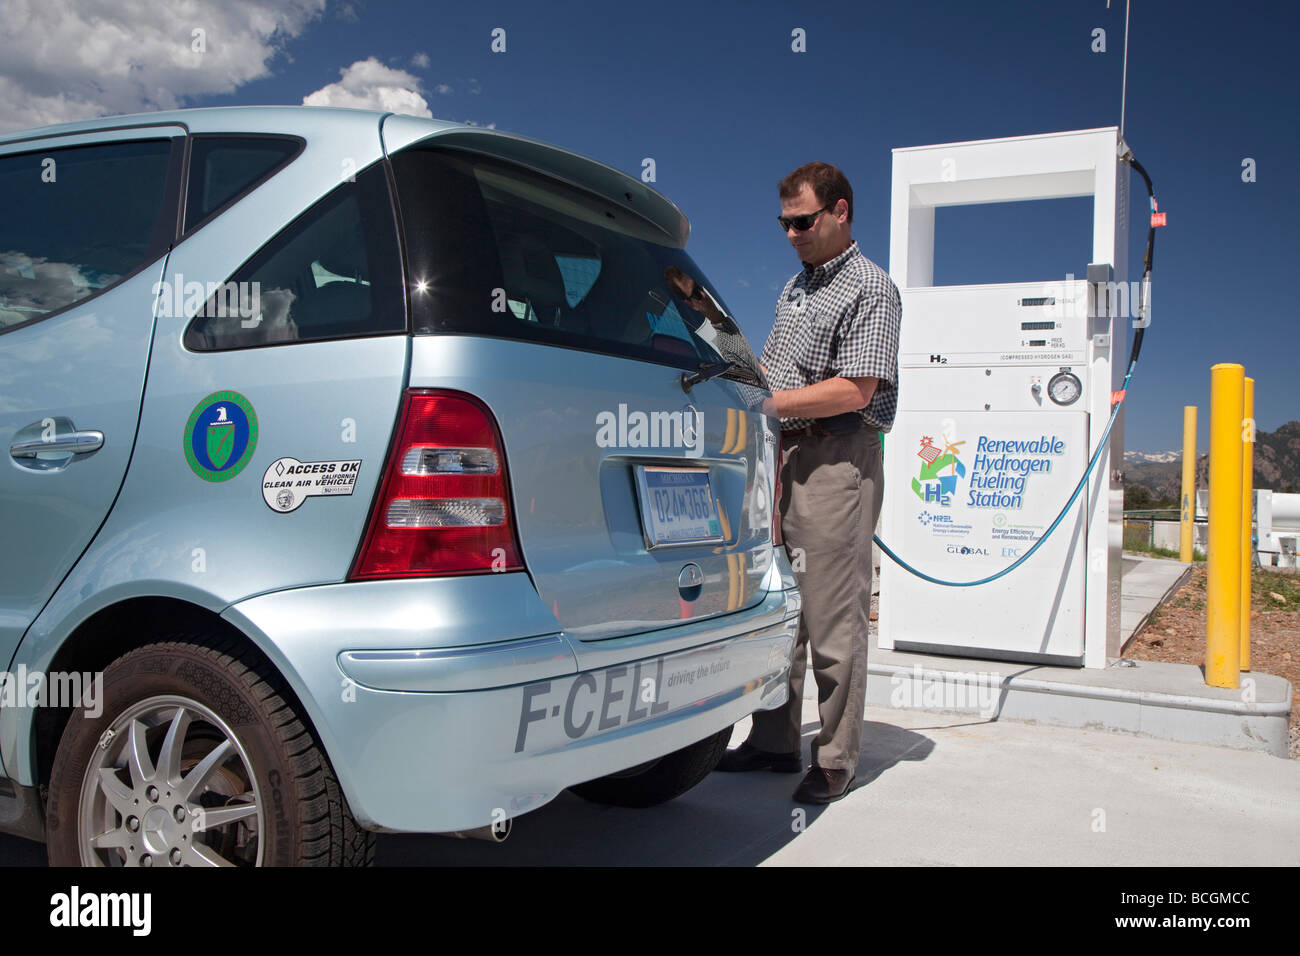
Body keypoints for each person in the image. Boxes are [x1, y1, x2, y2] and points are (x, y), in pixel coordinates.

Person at [716, 161, 901, 804]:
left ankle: (835, 758)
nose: (791, 233)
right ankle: (772, 742)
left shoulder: (870, 288)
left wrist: (774, 407)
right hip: (784, 461)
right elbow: (776, 375)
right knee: (782, 609)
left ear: (840, 211)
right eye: (783, 223)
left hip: (837, 460)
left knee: (832, 616)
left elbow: (857, 387)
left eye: (803, 220)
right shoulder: (794, 291)